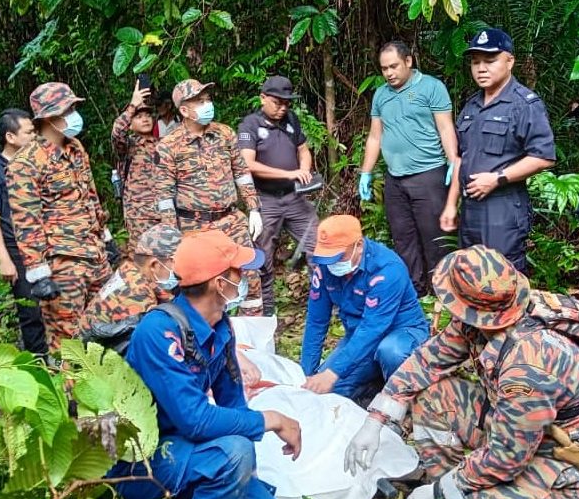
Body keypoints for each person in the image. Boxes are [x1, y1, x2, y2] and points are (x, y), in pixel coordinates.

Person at [345, 246, 579, 499]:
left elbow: (506, 459)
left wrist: (439, 492)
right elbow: (428, 361)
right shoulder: (488, 314)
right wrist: (377, 416)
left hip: (557, 455)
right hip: (515, 427)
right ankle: (457, 491)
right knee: (434, 398)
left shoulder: (528, 368)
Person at [108, 229, 302, 499]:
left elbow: (232, 402)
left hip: (188, 450)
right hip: (141, 458)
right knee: (234, 452)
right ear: (218, 283)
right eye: (237, 273)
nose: (244, 278)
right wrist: (273, 420)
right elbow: (196, 421)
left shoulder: (220, 326)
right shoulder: (160, 332)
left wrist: (246, 474)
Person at [6, 82, 114, 352]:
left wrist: (106, 238)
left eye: (73, 108)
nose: (74, 115)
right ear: (49, 117)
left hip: (95, 255)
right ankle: (69, 394)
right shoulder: (25, 163)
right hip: (62, 264)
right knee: (69, 344)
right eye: (68, 110)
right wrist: (38, 272)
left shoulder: (75, 148)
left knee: (106, 331)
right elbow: (26, 221)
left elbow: (90, 195)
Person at [440, 28, 556, 273]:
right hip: (471, 209)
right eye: (475, 62)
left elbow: (543, 157)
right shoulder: (471, 105)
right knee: (472, 276)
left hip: (503, 209)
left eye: (490, 61)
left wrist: (497, 179)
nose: (481, 68)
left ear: (510, 61)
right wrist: (452, 205)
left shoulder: (524, 104)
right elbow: (462, 158)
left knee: (504, 279)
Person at [156, 78, 265, 315]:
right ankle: (209, 340)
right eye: (199, 101)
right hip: (194, 226)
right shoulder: (168, 146)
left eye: (207, 99)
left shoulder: (224, 133)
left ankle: (253, 341)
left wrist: (253, 208)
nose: (207, 104)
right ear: (184, 110)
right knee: (203, 284)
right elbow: (164, 195)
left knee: (250, 277)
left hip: (230, 220)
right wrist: (171, 235)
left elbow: (241, 172)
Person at [358, 41, 459, 297]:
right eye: (384, 69)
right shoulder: (381, 95)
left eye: (393, 66)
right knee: (404, 239)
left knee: (434, 238)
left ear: (408, 62)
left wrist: (452, 161)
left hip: (429, 174)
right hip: (395, 179)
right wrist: (366, 172)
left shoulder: (431, 87)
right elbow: (375, 136)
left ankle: (443, 293)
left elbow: (445, 127)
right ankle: (415, 291)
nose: (389, 73)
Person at [300, 215, 429, 401]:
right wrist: (306, 372)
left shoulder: (387, 269)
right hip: (358, 337)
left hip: (401, 333)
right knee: (326, 393)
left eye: (338, 256)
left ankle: (406, 400)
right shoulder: (324, 268)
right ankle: (375, 384)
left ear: (358, 246)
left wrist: (334, 371)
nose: (332, 264)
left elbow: (373, 328)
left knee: (390, 352)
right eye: (328, 257)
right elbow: (316, 321)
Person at [238, 75, 318, 316]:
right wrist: (288, 172)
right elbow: (247, 164)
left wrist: (304, 168)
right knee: (263, 256)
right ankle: (266, 309)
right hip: (266, 199)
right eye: (277, 102)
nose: (283, 108)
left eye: (287, 103)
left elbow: (303, 150)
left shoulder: (291, 120)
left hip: (294, 197)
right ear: (263, 98)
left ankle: (323, 300)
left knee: (318, 245)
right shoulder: (250, 125)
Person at [0, 108, 48, 359]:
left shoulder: (37, 164)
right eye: (29, 132)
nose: (35, 137)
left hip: (45, 246)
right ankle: (39, 364)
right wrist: (4, 258)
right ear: (10, 137)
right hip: (18, 250)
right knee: (31, 311)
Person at [78, 223, 180, 343]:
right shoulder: (137, 297)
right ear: (154, 265)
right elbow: (153, 346)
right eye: (176, 262)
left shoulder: (130, 270)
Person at [111, 80, 161, 240]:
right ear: (130, 124)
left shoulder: (163, 144)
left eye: (148, 115)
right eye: (139, 117)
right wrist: (133, 106)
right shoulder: (127, 145)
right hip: (139, 214)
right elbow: (117, 133)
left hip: (165, 211)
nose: (145, 119)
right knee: (142, 257)